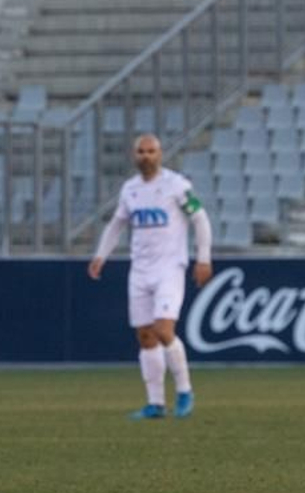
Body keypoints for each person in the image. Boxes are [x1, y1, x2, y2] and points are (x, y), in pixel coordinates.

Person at [87, 133, 213, 419]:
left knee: (163, 330)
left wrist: (203, 258)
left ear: (160, 154)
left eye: (151, 151)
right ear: (134, 155)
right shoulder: (130, 189)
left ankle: (184, 390)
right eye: (141, 152)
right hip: (140, 270)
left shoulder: (176, 185)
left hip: (170, 268)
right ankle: (155, 403)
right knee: (145, 336)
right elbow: (117, 224)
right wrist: (100, 255)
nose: (146, 156)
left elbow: (200, 218)